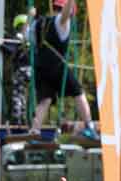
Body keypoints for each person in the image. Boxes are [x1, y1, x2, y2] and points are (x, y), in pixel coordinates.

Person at [29, 0, 97, 139]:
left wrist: (29, 17)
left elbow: (27, 38)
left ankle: (35, 131)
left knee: (45, 100)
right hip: (56, 66)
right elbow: (64, 15)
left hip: (40, 67)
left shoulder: (37, 23)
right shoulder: (62, 21)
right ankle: (89, 126)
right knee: (78, 92)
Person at [1, 9, 35, 127]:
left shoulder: (18, 37)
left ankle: (17, 119)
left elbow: (11, 49)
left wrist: (0, 44)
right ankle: (24, 118)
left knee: (17, 94)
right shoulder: (30, 39)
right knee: (23, 95)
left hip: (20, 70)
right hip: (30, 70)